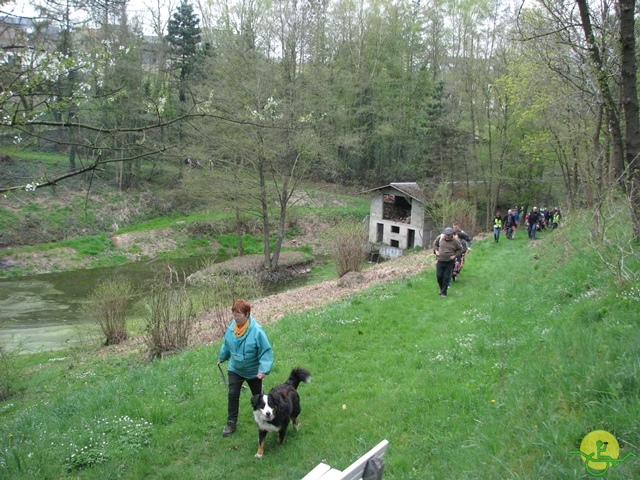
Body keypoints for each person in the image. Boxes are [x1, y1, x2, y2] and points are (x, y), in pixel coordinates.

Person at [218, 299, 273, 437]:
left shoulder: (256, 331)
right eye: (234, 315)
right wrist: (222, 356)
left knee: (258, 397)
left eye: (239, 315)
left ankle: (266, 417)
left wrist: (263, 370)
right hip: (235, 369)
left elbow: (265, 351)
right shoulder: (231, 328)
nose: (235, 318)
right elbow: (227, 344)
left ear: (247, 314)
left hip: (253, 372)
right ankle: (231, 423)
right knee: (233, 394)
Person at [433, 227, 463, 297]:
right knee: (439, 276)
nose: (447, 237)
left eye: (449, 235)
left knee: (446, 277)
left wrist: (455, 256)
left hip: (449, 262)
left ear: (452, 235)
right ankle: (441, 288)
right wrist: (436, 251)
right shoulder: (440, 238)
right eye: (446, 235)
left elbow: (460, 249)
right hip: (440, 260)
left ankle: (444, 293)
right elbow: (435, 244)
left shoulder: (455, 241)